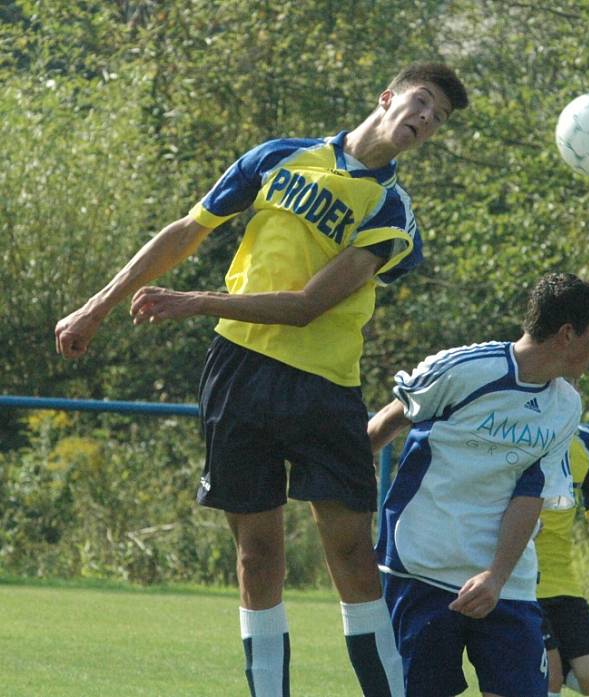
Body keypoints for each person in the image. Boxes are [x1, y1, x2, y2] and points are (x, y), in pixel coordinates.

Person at [54, 62, 468, 697]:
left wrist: (195, 302)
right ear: (387, 97)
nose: (424, 121)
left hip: (323, 387)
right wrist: (98, 306)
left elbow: (306, 307)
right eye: (421, 103)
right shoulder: (280, 157)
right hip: (238, 373)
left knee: (354, 558)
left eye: (437, 119)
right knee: (256, 556)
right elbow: (188, 231)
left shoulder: (392, 212)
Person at [368, 272, 589, 697]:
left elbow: (529, 493)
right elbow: (384, 426)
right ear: (568, 334)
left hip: (508, 585)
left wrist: (496, 577)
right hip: (421, 568)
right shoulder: (464, 369)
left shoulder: (565, 406)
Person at [537, 425, 589, 696]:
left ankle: (520, 674)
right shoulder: (521, 432)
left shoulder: (586, 441)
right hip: (519, 580)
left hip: (562, 582)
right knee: (551, 676)